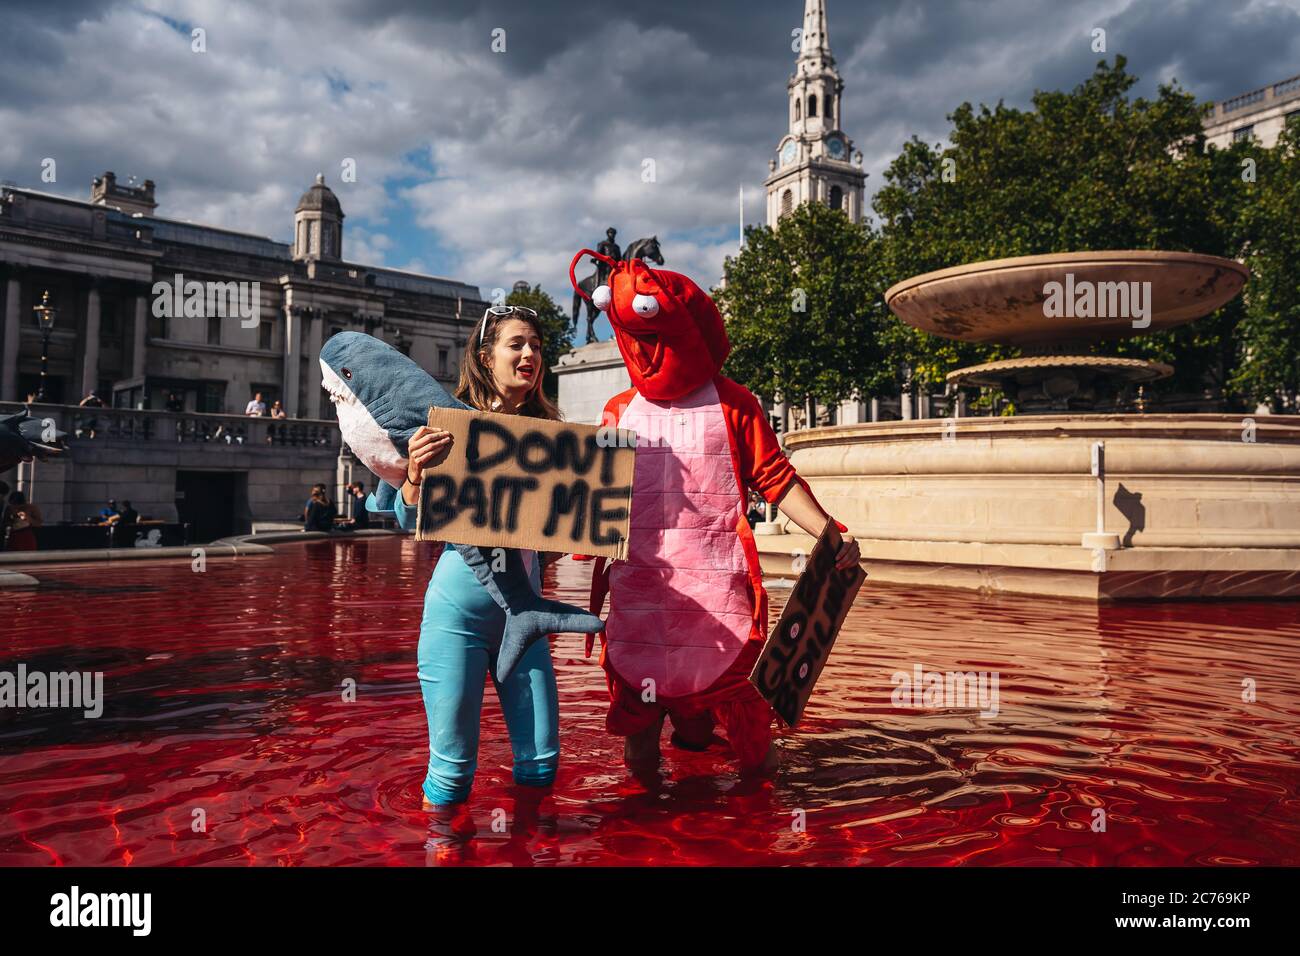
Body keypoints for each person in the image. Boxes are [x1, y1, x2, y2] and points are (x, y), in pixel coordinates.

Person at [572, 250, 860, 778]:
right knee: (641, 743)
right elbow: (596, 508)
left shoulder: (735, 404)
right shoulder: (616, 410)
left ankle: (757, 835)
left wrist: (829, 534)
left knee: (752, 746)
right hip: (641, 601)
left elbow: (774, 476)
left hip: (718, 600)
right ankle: (650, 838)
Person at [394, 303, 562, 809]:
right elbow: (404, 522)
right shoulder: (447, 425)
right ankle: (441, 851)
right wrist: (415, 476)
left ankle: (532, 850)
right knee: (451, 775)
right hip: (457, 618)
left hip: (525, 620)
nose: (530, 354)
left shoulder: (553, 437)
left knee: (541, 763)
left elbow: (548, 546)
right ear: (487, 358)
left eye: (536, 346)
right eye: (517, 345)